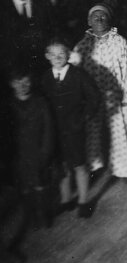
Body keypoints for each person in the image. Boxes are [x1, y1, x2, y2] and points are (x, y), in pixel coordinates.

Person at [75, 4, 127, 181]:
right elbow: (75, 76)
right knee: (92, 134)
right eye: (95, 17)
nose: (99, 20)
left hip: (117, 96)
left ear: (109, 19)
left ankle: (125, 170)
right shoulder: (81, 46)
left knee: (121, 133)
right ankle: (94, 168)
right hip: (92, 98)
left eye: (103, 16)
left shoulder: (119, 41)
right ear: (89, 21)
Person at [40, 39, 100, 218]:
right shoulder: (45, 78)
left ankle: (83, 201)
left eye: (62, 54)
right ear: (47, 56)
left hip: (75, 129)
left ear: (68, 55)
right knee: (62, 166)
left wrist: (83, 119)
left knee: (79, 165)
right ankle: (66, 199)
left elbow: (94, 98)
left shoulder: (79, 75)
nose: (58, 58)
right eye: (54, 55)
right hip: (55, 131)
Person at [8, 68, 54, 229]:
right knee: (25, 187)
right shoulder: (8, 107)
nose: (22, 86)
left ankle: (43, 215)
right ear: (11, 84)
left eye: (26, 81)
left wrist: (45, 153)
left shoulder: (40, 102)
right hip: (19, 155)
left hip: (38, 152)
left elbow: (49, 130)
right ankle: (32, 215)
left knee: (40, 184)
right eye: (18, 83)